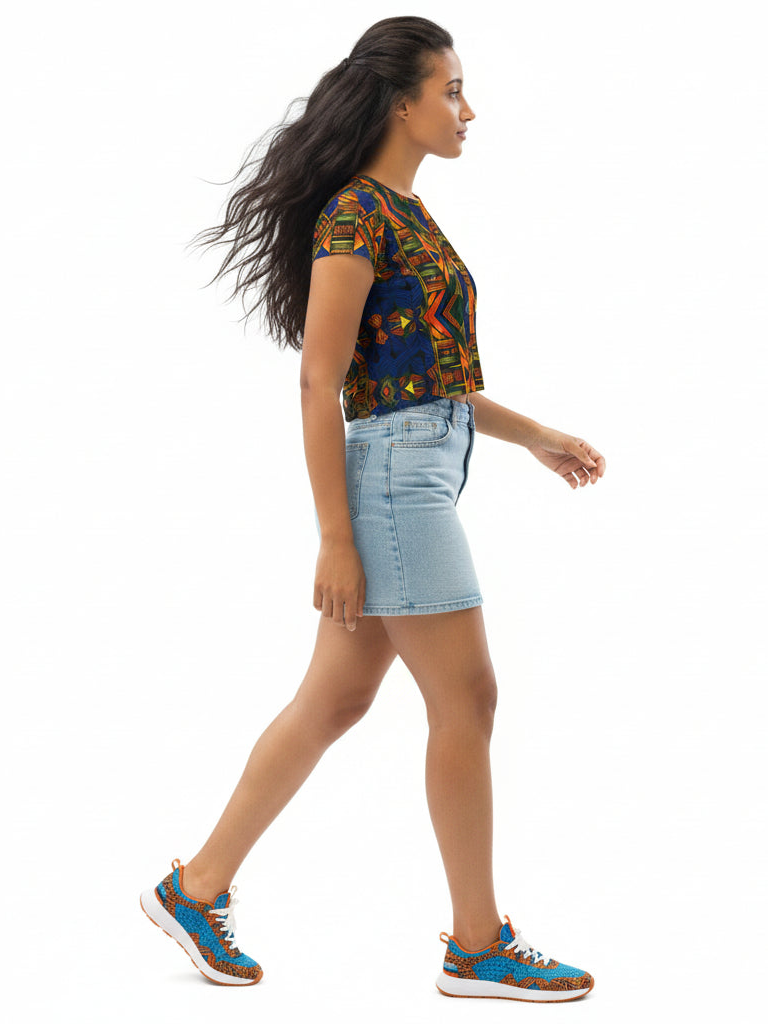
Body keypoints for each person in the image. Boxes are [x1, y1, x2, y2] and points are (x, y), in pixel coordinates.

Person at [139, 16, 605, 1003]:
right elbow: (319, 383)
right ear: (402, 103)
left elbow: (425, 380)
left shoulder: (407, 215)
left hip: (421, 465)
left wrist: (537, 436)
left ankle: (195, 886)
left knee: (337, 698)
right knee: (467, 698)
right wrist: (336, 538)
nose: (466, 110)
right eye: (451, 90)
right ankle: (475, 943)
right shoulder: (355, 218)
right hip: (392, 484)